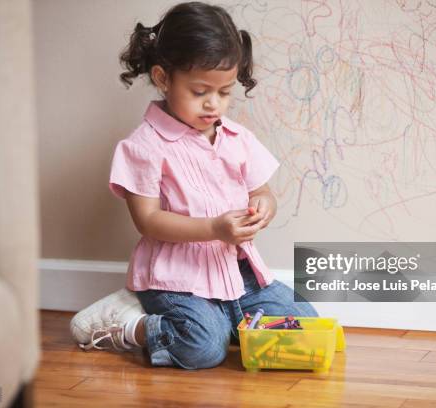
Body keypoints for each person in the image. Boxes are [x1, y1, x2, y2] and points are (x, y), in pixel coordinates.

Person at [70, 1, 318, 369]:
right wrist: (214, 228)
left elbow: (261, 190)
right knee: (202, 349)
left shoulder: (236, 137)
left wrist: (265, 204)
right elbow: (148, 220)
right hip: (176, 281)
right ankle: (128, 321)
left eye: (224, 92)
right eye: (200, 91)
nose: (213, 104)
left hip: (238, 275)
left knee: (307, 327)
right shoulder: (144, 147)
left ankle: (223, 322)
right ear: (162, 78)